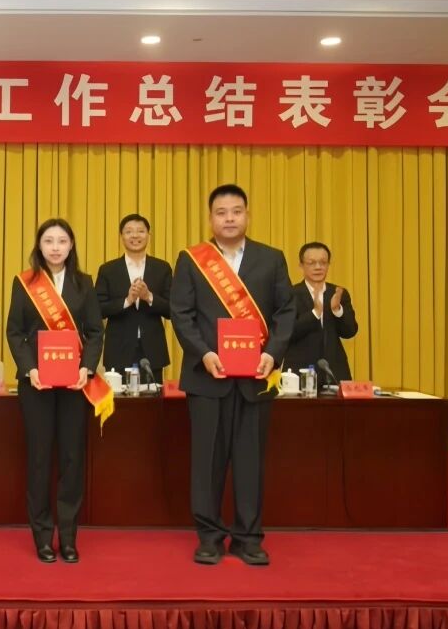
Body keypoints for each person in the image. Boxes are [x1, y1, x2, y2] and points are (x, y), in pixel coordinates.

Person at [170, 184, 295, 568]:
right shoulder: (192, 260)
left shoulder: (271, 259)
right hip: (207, 377)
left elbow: (286, 312)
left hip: (256, 378)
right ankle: (209, 538)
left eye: (236, 211)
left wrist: (272, 354)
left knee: (250, 462)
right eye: (221, 212)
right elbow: (181, 313)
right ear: (211, 218)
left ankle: (248, 538)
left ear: (247, 215)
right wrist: (204, 353)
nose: (229, 218)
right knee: (206, 463)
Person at [6, 218, 109, 564]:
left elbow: (94, 332)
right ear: (39, 245)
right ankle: (41, 536)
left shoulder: (84, 282)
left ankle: (68, 537)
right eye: (48, 240)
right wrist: (29, 369)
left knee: (71, 460)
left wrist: (87, 368)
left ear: (71, 245)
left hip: (74, 385)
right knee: (39, 460)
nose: (55, 247)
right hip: (37, 384)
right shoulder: (25, 282)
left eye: (61, 241)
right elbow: (15, 332)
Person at [94, 213, 173, 378]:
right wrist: (127, 300)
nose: (135, 236)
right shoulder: (108, 270)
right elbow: (98, 309)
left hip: (152, 351)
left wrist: (149, 297)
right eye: (129, 231)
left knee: (152, 394)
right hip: (118, 350)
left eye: (140, 231)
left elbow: (172, 310)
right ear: (121, 236)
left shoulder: (162, 268)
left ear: (148, 235)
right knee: (118, 395)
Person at [283, 241, 358, 383]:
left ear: (328, 264)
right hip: (299, 371)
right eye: (311, 263)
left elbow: (350, 331)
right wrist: (315, 313)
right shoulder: (290, 294)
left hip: (335, 371)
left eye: (323, 262)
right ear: (301, 265)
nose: (318, 267)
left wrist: (337, 310)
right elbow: (287, 333)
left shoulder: (338, 293)